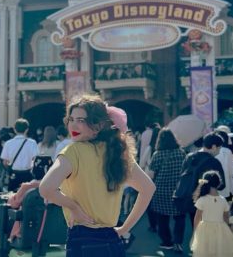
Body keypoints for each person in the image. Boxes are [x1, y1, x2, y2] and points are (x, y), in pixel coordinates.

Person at [39, 95, 155, 257]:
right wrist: (124, 229)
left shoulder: (74, 151)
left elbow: (45, 189)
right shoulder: (117, 153)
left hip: (82, 238)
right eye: (71, 119)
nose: (73, 125)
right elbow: (148, 188)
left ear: (98, 125)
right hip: (112, 240)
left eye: (81, 120)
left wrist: (74, 207)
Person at [147, 128, 186, 253]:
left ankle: (167, 242)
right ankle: (178, 242)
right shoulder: (181, 153)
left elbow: (151, 175)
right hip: (178, 191)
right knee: (179, 217)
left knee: (162, 218)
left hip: (161, 191)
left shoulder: (157, 154)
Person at [189, 170, 233, 257]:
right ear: (218, 183)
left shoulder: (202, 200)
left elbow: (197, 217)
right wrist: (228, 226)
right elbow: (226, 217)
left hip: (205, 229)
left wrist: (195, 231)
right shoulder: (223, 200)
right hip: (221, 229)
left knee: (205, 251)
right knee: (219, 251)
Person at [1, 118, 39, 192]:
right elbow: (35, 159)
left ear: (15, 130)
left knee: (12, 197)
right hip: (27, 174)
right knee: (27, 195)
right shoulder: (32, 143)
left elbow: (5, 162)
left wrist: (9, 169)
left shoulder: (8, 143)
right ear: (27, 130)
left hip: (13, 175)